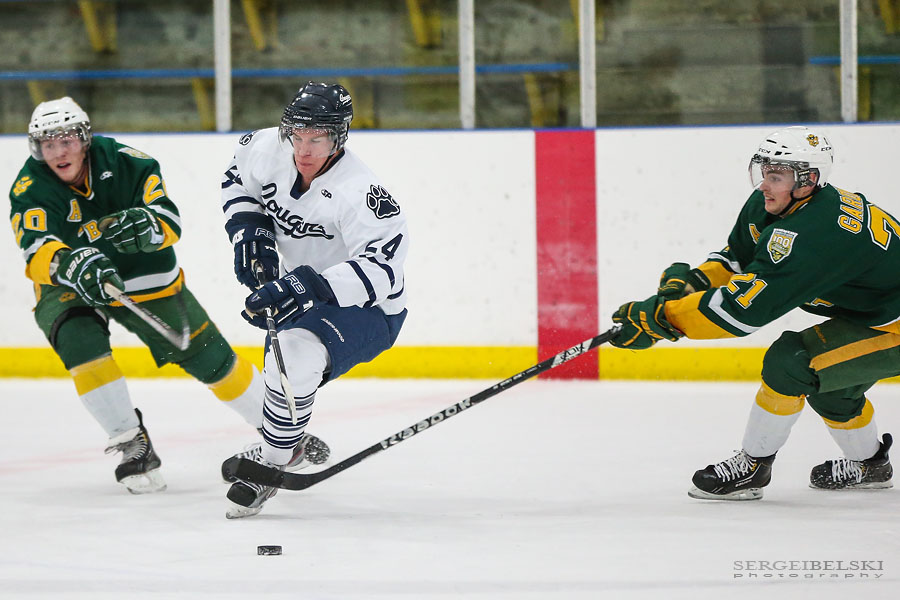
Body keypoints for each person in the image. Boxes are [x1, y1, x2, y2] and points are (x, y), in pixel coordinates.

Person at [8, 96, 325, 495]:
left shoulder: (130, 163)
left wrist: (148, 226)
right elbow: (36, 250)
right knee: (78, 341)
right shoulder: (30, 186)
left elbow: (170, 221)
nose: (59, 152)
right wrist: (70, 265)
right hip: (73, 283)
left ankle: (280, 434)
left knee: (212, 357)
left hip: (147, 277)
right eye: (49, 144)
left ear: (85, 138)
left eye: (67, 140)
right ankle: (130, 442)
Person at [609, 125, 894, 500]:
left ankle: (753, 467)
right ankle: (871, 467)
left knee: (792, 363)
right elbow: (740, 261)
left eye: (776, 176)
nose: (764, 185)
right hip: (877, 315)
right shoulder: (775, 203)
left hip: (893, 322)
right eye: (764, 172)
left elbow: (742, 313)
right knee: (831, 386)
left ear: (808, 180)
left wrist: (665, 319)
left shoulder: (818, 233)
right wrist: (691, 284)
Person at [218, 82, 408, 518]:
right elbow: (236, 178)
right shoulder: (267, 148)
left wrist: (309, 287)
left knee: (292, 358)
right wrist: (250, 229)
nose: (303, 150)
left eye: (316, 139)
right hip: (302, 295)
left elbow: (385, 270)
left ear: (338, 137)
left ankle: (270, 461)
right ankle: (286, 446)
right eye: (297, 136)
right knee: (280, 374)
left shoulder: (361, 193)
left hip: (368, 309)